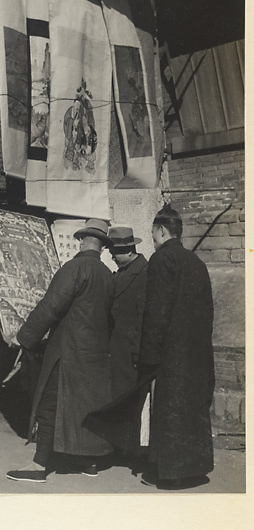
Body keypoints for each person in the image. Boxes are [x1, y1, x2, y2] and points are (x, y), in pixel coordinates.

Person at [6, 219, 114, 483]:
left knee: (49, 405)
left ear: (81, 240)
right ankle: (87, 460)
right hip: (93, 355)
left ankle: (38, 465)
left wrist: (23, 337)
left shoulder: (74, 268)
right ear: (102, 245)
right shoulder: (106, 275)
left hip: (67, 353)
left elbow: (50, 307)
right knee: (84, 406)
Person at [138, 205, 215, 490]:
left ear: (161, 231)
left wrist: (148, 357)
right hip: (196, 352)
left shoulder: (161, 260)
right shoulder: (197, 263)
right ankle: (194, 470)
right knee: (192, 411)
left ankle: (171, 475)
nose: (153, 240)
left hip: (171, 354)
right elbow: (208, 312)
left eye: (153, 235)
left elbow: (156, 313)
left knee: (170, 412)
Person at [107, 226, 148, 400]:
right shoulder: (122, 273)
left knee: (126, 408)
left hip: (130, 356)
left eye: (115, 252)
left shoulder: (144, 273)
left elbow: (143, 317)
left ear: (129, 251)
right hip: (117, 355)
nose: (112, 257)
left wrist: (136, 354)